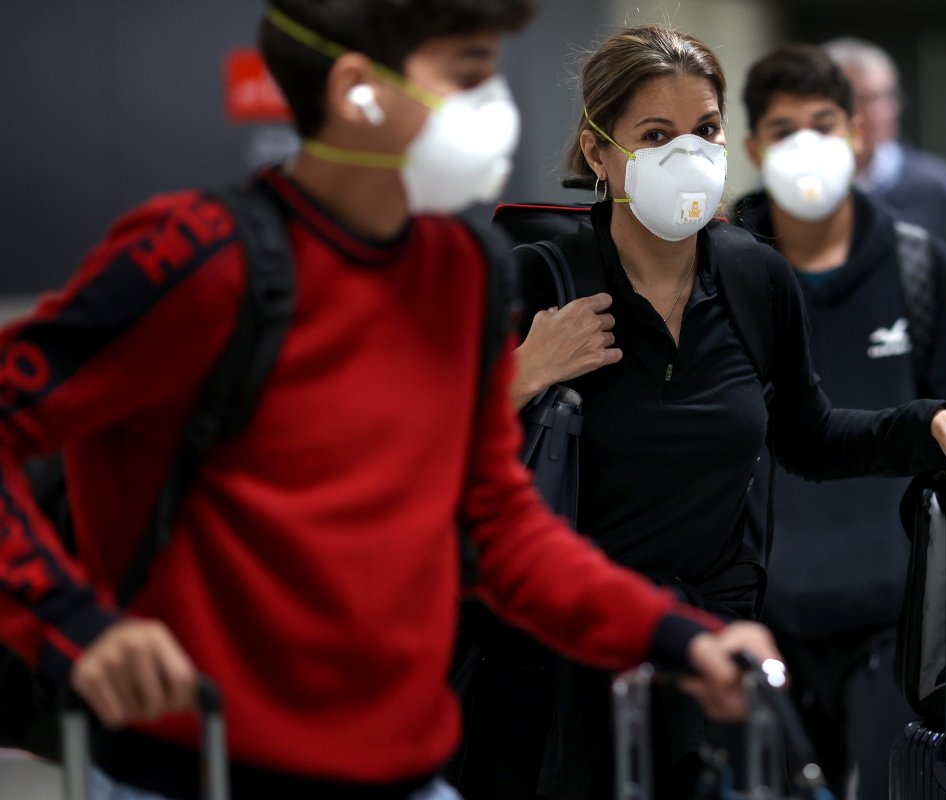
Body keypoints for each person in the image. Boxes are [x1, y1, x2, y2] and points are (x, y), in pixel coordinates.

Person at [0, 3, 785, 799]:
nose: (495, 104)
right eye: (468, 73)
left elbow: (502, 527)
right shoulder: (201, 257)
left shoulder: (461, 269)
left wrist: (677, 640)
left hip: (402, 765)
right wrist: (71, 622)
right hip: (199, 767)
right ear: (357, 90)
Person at [461, 23, 946, 800]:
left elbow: (810, 436)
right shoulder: (537, 281)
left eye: (705, 130)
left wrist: (928, 423)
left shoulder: (754, 277)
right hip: (559, 665)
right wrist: (519, 378)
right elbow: (434, 461)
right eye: (655, 135)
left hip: (709, 658)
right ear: (598, 152)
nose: (686, 155)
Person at [734, 43, 946, 800]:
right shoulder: (718, 269)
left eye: (823, 124)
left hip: (901, 614)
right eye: (783, 130)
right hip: (759, 615)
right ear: (754, 147)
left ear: (857, 133)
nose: (805, 146)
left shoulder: (921, 265)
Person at [824, 37, 946, 285]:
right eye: (859, 99)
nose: (875, 112)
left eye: (885, 97)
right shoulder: (802, 186)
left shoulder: (934, 186)